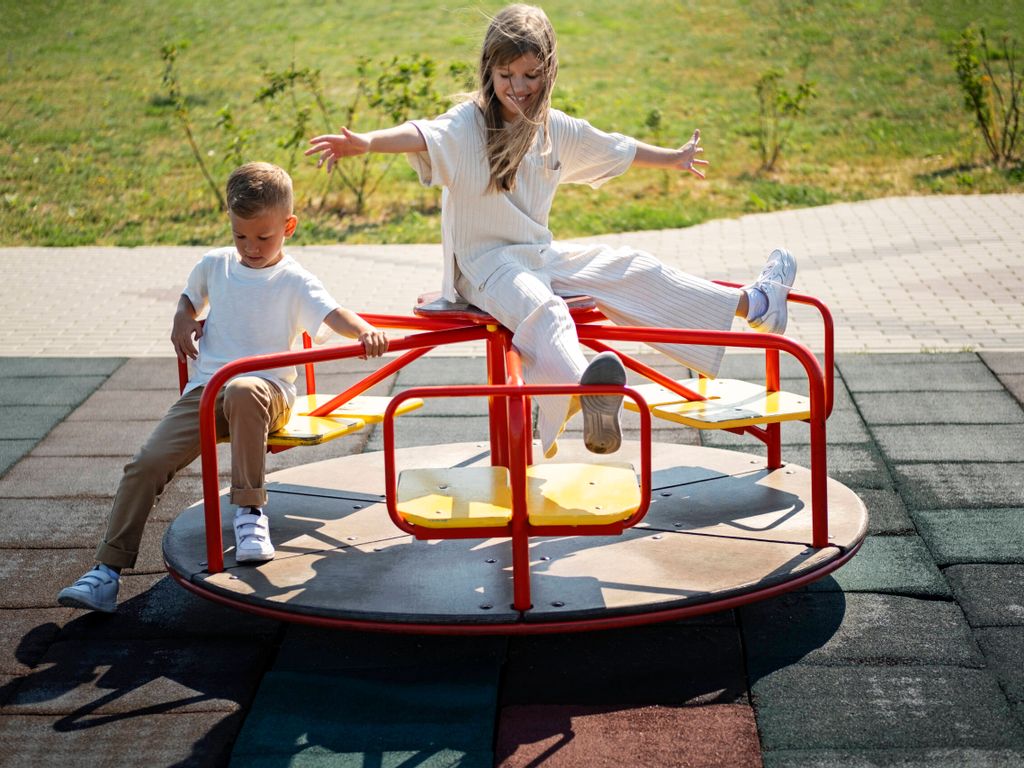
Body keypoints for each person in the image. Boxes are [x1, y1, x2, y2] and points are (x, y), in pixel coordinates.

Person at [306, 3, 796, 458]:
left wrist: (674, 158)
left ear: (549, 72)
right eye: (506, 75)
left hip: (538, 255)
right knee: (544, 308)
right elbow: (422, 134)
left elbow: (616, 147)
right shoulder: (467, 124)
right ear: (488, 71)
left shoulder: (555, 129)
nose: (518, 87)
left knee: (631, 267)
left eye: (530, 75)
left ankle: (757, 304)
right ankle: (587, 388)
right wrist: (366, 142)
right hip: (481, 268)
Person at [57, 162, 389, 613]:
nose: (251, 247)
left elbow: (333, 313)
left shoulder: (295, 280)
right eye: (240, 235)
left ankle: (250, 512)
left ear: (289, 226)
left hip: (267, 392)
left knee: (244, 388)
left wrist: (364, 331)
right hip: (208, 391)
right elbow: (190, 297)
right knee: (145, 464)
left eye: (263, 237)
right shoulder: (215, 265)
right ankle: (106, 572)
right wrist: (182, 317)